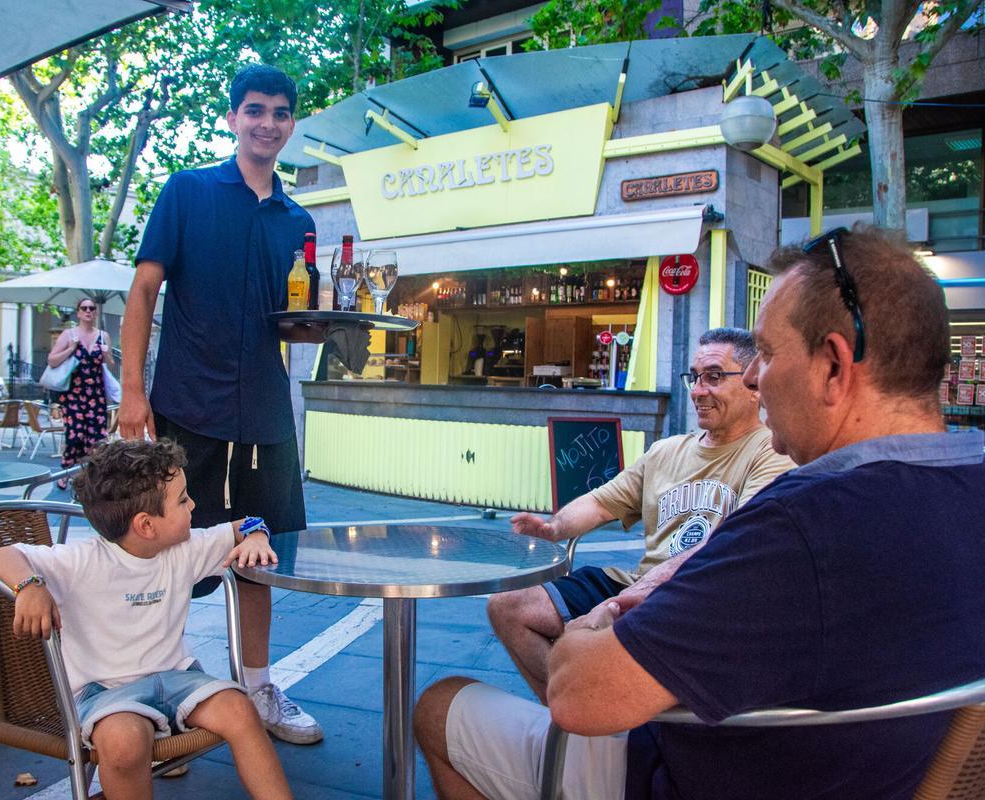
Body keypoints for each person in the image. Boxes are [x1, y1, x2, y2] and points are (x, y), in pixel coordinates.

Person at [415, 225, 985, 800]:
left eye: (767, 353)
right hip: (877, 776)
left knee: (439, 706)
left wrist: (598, 621)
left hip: (694, 775)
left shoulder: (799, 525)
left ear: (834, 367)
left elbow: (576, 695)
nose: (756, 378)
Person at [119, 63, 324, 745]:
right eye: (255, 110)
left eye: (281, 112)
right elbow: (143, 291)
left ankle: (258, 687)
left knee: (259, 552)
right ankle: (152, 693)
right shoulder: (187, 191)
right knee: (165, 555)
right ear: (233, 118)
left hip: (265, 414)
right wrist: (132, 392)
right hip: (186, 408)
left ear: (291, 124)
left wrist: (325, 327)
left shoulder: (298, 220)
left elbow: (290, 323)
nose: (268, 123)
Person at [489, 327, 794, 702]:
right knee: (508, 606)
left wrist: (623, 603)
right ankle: (579, 714)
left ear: (753, 385)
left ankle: (589, 713)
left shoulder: (770, 453)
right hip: (637, 585)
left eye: (714, 377)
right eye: (695, 377)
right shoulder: (667, 451)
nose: (698, 391)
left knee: (585, 642)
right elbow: (601, 503)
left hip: (700, 599)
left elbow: (734, 542)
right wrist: (553, 528)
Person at [0, 438, 292, 800]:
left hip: (177, 677)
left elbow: (247, 522)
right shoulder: (81, 561)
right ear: (146, 525)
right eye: (182, 500)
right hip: (105, 692)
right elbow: (2, 555)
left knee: (241, 711)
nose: (193, 504)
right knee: (124, 744)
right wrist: (29, 586)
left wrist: (256, 536)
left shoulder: (185, 548)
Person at [47, 299, 112, 488]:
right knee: (75, 436)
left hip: (96, 395)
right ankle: (66, 470)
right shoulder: (69, 335)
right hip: (74, 395)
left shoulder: (103, 336)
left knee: (96, 438)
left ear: (96, 312)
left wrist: (106, 355)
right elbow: (52, 360)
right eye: (84, 308)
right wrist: (70, 349)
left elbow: (110, 363)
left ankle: (90, 476)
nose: (88, 311)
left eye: (92, 308)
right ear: (78, 312)